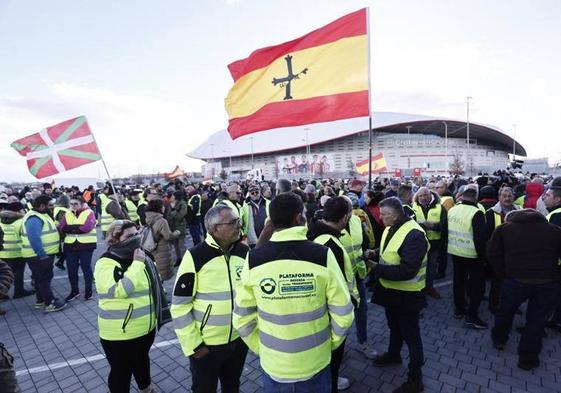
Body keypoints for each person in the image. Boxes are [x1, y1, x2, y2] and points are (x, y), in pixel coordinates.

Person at [233, 192, 354, 393]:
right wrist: (329, 344)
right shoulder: (322, 255)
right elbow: (343, 312)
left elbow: (241, 318)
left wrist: (262, 349)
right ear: (298, 218)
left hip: (274, 367)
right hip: (316, 362)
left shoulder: (253, 259)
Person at [171, 205, 249, 393]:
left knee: (233, 386)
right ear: (215, 228)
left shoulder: (244, 252)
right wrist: (194, 345)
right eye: (233, 222)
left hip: (238, 342)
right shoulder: (196, 256)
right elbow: (179, 306)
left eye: (238, 221)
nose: (239, 225)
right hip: (207, 346)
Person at [487, 209, 561, 370]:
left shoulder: (505, 229)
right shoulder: (555, 231)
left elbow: (492, 252)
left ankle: (499, 339)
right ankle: (527, 359)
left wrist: (502, 273)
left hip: (515, 280)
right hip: (547, 283)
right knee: (537, 321)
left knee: (505, 312)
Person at [370, 197, 429, 393]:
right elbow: (391, 248)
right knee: (394, 327)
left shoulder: (415, 235)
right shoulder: (391, 227)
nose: (381, 218)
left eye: (384, 215)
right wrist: (375, 252)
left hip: (408, 296)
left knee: (412, 337)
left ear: (395, 215)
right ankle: (394, 354)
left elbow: (407, 271)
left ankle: (415, 379)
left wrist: (377, 269)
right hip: (391, 292)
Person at [94, 220, 159, 393]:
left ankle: (146, 387)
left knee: (142, 361)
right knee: (121, 372)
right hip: (120, 333)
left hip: (145, 327)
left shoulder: (143, 255)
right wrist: (137, 264)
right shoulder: (106, 263)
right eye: (129, 236)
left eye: (137, 234)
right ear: (115, 239)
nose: (136, 238)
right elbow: (119, 290)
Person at [307, 196, 358, 392]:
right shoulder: (330, 244)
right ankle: (331, 384)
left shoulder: (318, 234)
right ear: (345, 217)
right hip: (331, 313)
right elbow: (335, 285)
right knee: (332, 357)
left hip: (321, 309)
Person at [340, 196, 375, 359]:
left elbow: (365, 242)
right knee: (340, 314)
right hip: (339, 279)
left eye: (350, 208)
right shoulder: (329, 223)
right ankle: (339, 348)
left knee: (361, 311)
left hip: (358, 275)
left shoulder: (356, 220)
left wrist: (367, 252)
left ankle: (362, 343)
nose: (349, 212)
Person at [447, 188, 488, 328]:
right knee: (477, 286)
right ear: (475, 198)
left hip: (455, 251)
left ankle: (459, 309)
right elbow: (480, 238)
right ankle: (472, 315)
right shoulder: (476, 212)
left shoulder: (453, 210)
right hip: (472, 254)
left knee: (458, 281)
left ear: (462, 196)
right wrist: (483, 257)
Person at [20, 194, 66, 312]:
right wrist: (42, 255)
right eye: (49, 205)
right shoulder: (34, 218)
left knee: (39, 278)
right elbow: (34, 238)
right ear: (41, 206)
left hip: (38, 255)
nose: (52, 207)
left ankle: (40, 301)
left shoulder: (40, 215)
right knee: (45, 279)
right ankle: (50, 302)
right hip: (39, 256)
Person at [484, 186, 519, 313]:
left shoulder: (519, 211)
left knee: (514, 283)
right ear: (499, 197)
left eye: (509, 196)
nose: (507, 198)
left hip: (514, 255)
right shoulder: (491, 213)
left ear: (513, 197)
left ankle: (511, 305)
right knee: (497, 282)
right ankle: (494, 305)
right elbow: (486, 237)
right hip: (498, 255)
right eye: (504, 196)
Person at [58, 196, 97, 301]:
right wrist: (77, 227)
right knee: (71, 269)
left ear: (82, 204)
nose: (73, 206)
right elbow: (62, 227)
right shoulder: (67, 213)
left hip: (86, 245)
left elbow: (86, 228)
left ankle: (88, 291)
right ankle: (74, 291)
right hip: (70, 245)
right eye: (71, 204)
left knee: (86, 268)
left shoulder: (89, 213)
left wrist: (70, 228)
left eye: (76, 204)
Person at [412, 187, 447, 299]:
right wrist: (423, 225)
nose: (423, 198)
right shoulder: (413, 207)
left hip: (434, 244)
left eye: (425, 195)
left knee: (431, 269)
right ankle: (418, 290)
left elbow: (445, 225)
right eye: (420, 196)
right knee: (417, 269)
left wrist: (433, 225)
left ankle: (430, 288)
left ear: (430, 195)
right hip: (418, 245)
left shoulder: (440, 207)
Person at [0, 201, 34, 299]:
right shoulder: (21, 222)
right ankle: (19, 291)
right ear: (19, 210)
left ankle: (2, 294)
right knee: (18, 273)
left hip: (2, 254)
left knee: (3, 275)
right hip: (17, 253)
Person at [144, 199, 180, 281]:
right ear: (158, 207)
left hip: (152, 248)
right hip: (161, 249)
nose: (164, 207)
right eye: (162, 206)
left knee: (156, 271)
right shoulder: (162, 221)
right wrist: (177, 233)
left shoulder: (148, 218)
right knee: (162, 271)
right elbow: (168, 236)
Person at [542, 177, 561, 332]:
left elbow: (551, 244)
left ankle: (539, 327)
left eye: (547, 196)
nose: (544, 198)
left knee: (547, 297)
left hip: (555, 265)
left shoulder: (556, 216)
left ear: (557, 199)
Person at [167, 190, 188, 267]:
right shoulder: (171, 204)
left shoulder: (183, 204)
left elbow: (180, 216)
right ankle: (179, 259)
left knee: (181, 245)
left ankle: (186, 260)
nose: (171, 197)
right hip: (173, 227)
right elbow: (168, 216)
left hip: (180, 227)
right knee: (175, 246)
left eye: (173, 196)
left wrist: (173, 210)